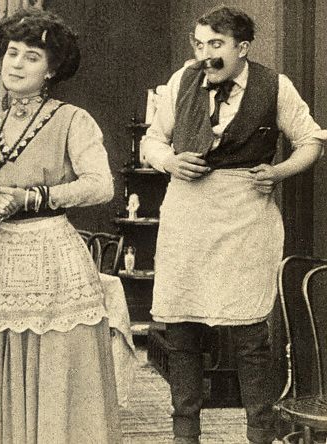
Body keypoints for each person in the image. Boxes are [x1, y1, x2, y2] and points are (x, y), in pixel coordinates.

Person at [140, 5, 327, 444]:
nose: (205, 54)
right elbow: (152, 140)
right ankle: (185, 434)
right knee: (181, 330)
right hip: (187, 213)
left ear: (242, 48)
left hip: (245, 213)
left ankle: (259, 433)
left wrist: (278, 172)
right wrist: (169, 161)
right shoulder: (181, 81)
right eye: (199, 44)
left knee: (249, 334)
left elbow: (312, 140)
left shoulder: (274, 85)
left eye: (216, 44)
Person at [0, 8, 121, 443]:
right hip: (4, 258)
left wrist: (34, 197)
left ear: (51, 69)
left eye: (31, 57)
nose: (16, 64)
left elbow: (101, 185)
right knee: (2, 363)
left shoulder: (72, 120)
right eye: (12, 53)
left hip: (54, 258)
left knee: (55, 365)